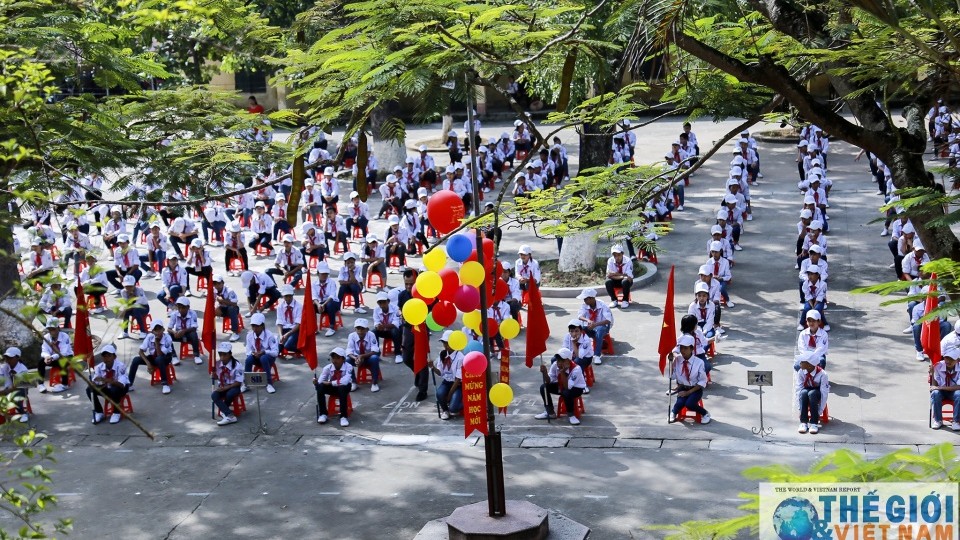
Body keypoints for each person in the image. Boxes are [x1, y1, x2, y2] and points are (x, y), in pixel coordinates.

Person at [535, 348, 586, 425]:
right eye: (558, 359)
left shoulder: (576, 369)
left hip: (576, 388)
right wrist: (545, 373)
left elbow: (567, 387)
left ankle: (571, 415)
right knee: (544, 387)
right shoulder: (555, 365)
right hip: (562, 385)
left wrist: (562, 371)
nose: (558, 362)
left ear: (568, 360)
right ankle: (550, 412)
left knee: (566, 392)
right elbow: (549, 381)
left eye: (561, 360)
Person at [669, 335, 711, 424]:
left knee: (689, 404)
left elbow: (702, 381)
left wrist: (687, 393)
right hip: (683, 387)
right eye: (681, 348)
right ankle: (673, 412)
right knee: (680, 403)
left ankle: (705, 413)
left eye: (685, 348)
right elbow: (672, 376)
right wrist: (671, 363)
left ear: (692, 349)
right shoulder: (677, 360)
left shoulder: (699, 362)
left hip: (695, 389)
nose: (682, 350)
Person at [87, 344, 130, 425]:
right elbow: (96, 380)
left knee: (115, 389)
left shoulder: (120, 366)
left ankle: (116, 412)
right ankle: (99, 412)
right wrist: (93, 383)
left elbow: (122, 384)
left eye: (109, 356)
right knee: (89, 389)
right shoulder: (99, 367)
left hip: (121, 388)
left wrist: (108, 381)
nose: (106, 358)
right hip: (107, 387)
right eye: (104, 356)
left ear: (114, 357)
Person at [131, 320, 174, 393]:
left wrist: (157, 342)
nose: (158, 332)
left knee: (159, 359)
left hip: (165, 358)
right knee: (136, 360)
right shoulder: (149, 337)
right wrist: (148, 364)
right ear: (152, 331)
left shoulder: (167, 338)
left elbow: (160, 355)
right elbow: (140, 351)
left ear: (163, 329)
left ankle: (165, 384)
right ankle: (129, 384)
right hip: (153, 357)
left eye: (159, 329)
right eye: (155, 330)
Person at [314, 347, 353, 427]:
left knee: (342, 388)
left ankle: (343, 416)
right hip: (332, 387)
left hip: (345, 387)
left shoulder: (348, 367)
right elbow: (321, 380)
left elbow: (345, 381)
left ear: (343, 359)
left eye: (338, 358)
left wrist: (330, 383)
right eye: (333, 358)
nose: (335, 360)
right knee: (320, 387)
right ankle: (323, 413)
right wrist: (316, 383)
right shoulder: (327, 368)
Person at [242, 313, 278, 394]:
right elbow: (248, 349)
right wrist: (252, 353)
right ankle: (246, 383)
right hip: (256, 356)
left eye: (257, 326)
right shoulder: (250, 335)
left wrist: (264, 352)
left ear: (262, 326)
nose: (255, 328)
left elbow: (275, 352)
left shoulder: (269, 336)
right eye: (253, 326)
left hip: (268, 358)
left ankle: (269, 383)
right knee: (248, 360)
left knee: (263, 358)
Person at [795, 352, 829, 434]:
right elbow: (798, 389)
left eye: (802, 362)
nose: (800, 363)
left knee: (812, 394)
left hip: (817, 392)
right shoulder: (801, 372)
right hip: (806, 389)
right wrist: (800, 407)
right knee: (803, 393)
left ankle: (814, 422)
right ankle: (803, 422)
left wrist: (819, 411)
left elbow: (824, 393)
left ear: (809, 365)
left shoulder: (823, 374)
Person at [432, 330, 463, 420]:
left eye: (447, 343)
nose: (445, 345)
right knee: (439, 393)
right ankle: (445, 410)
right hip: (447, 382)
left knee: (453, 408)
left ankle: (467, 403)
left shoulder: (460, 357)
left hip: (458, 385)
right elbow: (440, 373)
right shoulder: (442, 354)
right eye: (444, 343)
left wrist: (449, 396)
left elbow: (457, 379)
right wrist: (432, 367)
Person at [577, 288, 613, 365]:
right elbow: (580, 316)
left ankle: (597, 355)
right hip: (591, 327)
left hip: (603, 327)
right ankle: (581, 350)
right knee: (579, 329)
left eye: (585, 299)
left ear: (591, 298)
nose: (584, 301)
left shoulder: (602, 305)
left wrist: (595, 324)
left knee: (599, 329)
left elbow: (608, 320)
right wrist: (588, 320)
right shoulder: (584, 305)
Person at [211, 342, 244, 426]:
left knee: (230, 394)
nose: (222, 357)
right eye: (220, 354)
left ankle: (228, 415)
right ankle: (228, 413)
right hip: (223, 386)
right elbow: (220, 377)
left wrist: (226, 388)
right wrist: (214, 376)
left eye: (224, 354)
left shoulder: (237, 365)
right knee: (214, 395)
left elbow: (238, 382)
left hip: (234, 386)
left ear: (230, 354)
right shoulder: (218, 364)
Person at [38, 318, 73, 393]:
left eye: (53, 329)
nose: (51, 331)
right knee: (41, 361)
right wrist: (46, 357)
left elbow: (63, 353)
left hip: (66, 356)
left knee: (62, 361)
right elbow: (44, 350)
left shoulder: (64, 336)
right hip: (52, 357)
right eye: (49, 329)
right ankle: (41, 384)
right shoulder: (47, 337)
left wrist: (52, 357)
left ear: (58, 328)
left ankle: (64, 384)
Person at [346, 318, 381, 393]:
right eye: (358, 328)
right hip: (356, 358)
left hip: (368, 357)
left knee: (375, 358)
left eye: (362, 329)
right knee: (347, 360)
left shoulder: (371, 335)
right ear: (355, 329)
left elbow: (375, 350)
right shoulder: (351, 336)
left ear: (367, 329)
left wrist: (362, 356)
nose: (360, 331)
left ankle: (374, 382)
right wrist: (355, 358)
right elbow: (349, 351)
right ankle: (353, 382)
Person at [168, 297, 203, 365]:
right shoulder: (174, 314)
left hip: (188, 334)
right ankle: (173, 356)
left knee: (194, 334)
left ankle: (196, 355)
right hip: (178, 334)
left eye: (183, 308)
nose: (181, 310)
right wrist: (174, 332)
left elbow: (194, 327)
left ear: (188, 307)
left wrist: (184, 331)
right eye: (179, 307)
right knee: (167, 336)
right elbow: (169, 328)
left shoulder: (193, 313)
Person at [0, 348, 30, 423]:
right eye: (6, 358)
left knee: (16, 395)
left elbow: (15, 387)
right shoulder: (5, 367)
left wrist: (4, 392)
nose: (7, 360)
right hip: (8, 388)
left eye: (10, 358)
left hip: (21, 388)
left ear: (17, 358)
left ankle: (23, 413)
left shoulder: (23, 370)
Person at [312, 263, 341, 337]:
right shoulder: (314, 284)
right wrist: (318, 305)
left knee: (330, 304)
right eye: (322, 274)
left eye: (326, 274)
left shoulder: (331, 282)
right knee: (311, 305)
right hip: (320, 303)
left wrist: (323, 305)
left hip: (332, 303)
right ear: (318, 274)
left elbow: (332, 296)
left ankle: (332, 327)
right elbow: (314, 296)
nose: (325, 275)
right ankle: (314, 327)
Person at [212, 274, 242, 342]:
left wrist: (222, 301)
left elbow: (234, 304)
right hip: (222, 308)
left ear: (222, 283)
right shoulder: (214, 290)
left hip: (233, 309)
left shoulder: (229, 290)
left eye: (219, 283)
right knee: (210, 311)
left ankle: (235, 332)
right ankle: (211, 331)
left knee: (232, 309)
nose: (217, 286)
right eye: (215, 284)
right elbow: (212, 301)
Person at [372, 292, 401, 363]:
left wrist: (383, 326)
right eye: (380, 303)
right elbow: (376, 321)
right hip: (383, 330)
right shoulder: (376, 310)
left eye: (384, 302)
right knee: (373, 332)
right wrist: (377, 326)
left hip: (395, 331)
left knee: (395, 331)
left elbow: (396, 324)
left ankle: (398, 353)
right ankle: (376, 353)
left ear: (388, 301)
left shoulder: (396, 308)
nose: (382, 305)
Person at [119, 275, 150, 339]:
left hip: (143, 307)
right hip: (131, 308)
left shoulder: (139, 290)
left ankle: (143, 331)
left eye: (130, 286)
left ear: (134, 285)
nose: (128, 288)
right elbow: (125, 303)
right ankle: (125, 332)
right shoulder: (123, 292)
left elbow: (138, 303)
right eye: (126, 286)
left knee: (136, 310)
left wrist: (126, 309)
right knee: (126, 313)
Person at [276, 284, 303, 355]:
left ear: (292, 295)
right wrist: (281, 335)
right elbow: (279, 322)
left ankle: (302, 350)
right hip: (284, 329)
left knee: (288, 346)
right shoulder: (280, 307)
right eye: (286, 296)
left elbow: (298, 324)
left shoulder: (299, 306)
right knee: (277, 349)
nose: (288, 298)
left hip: (294, 330)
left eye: (289, 296)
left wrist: (288, 334)